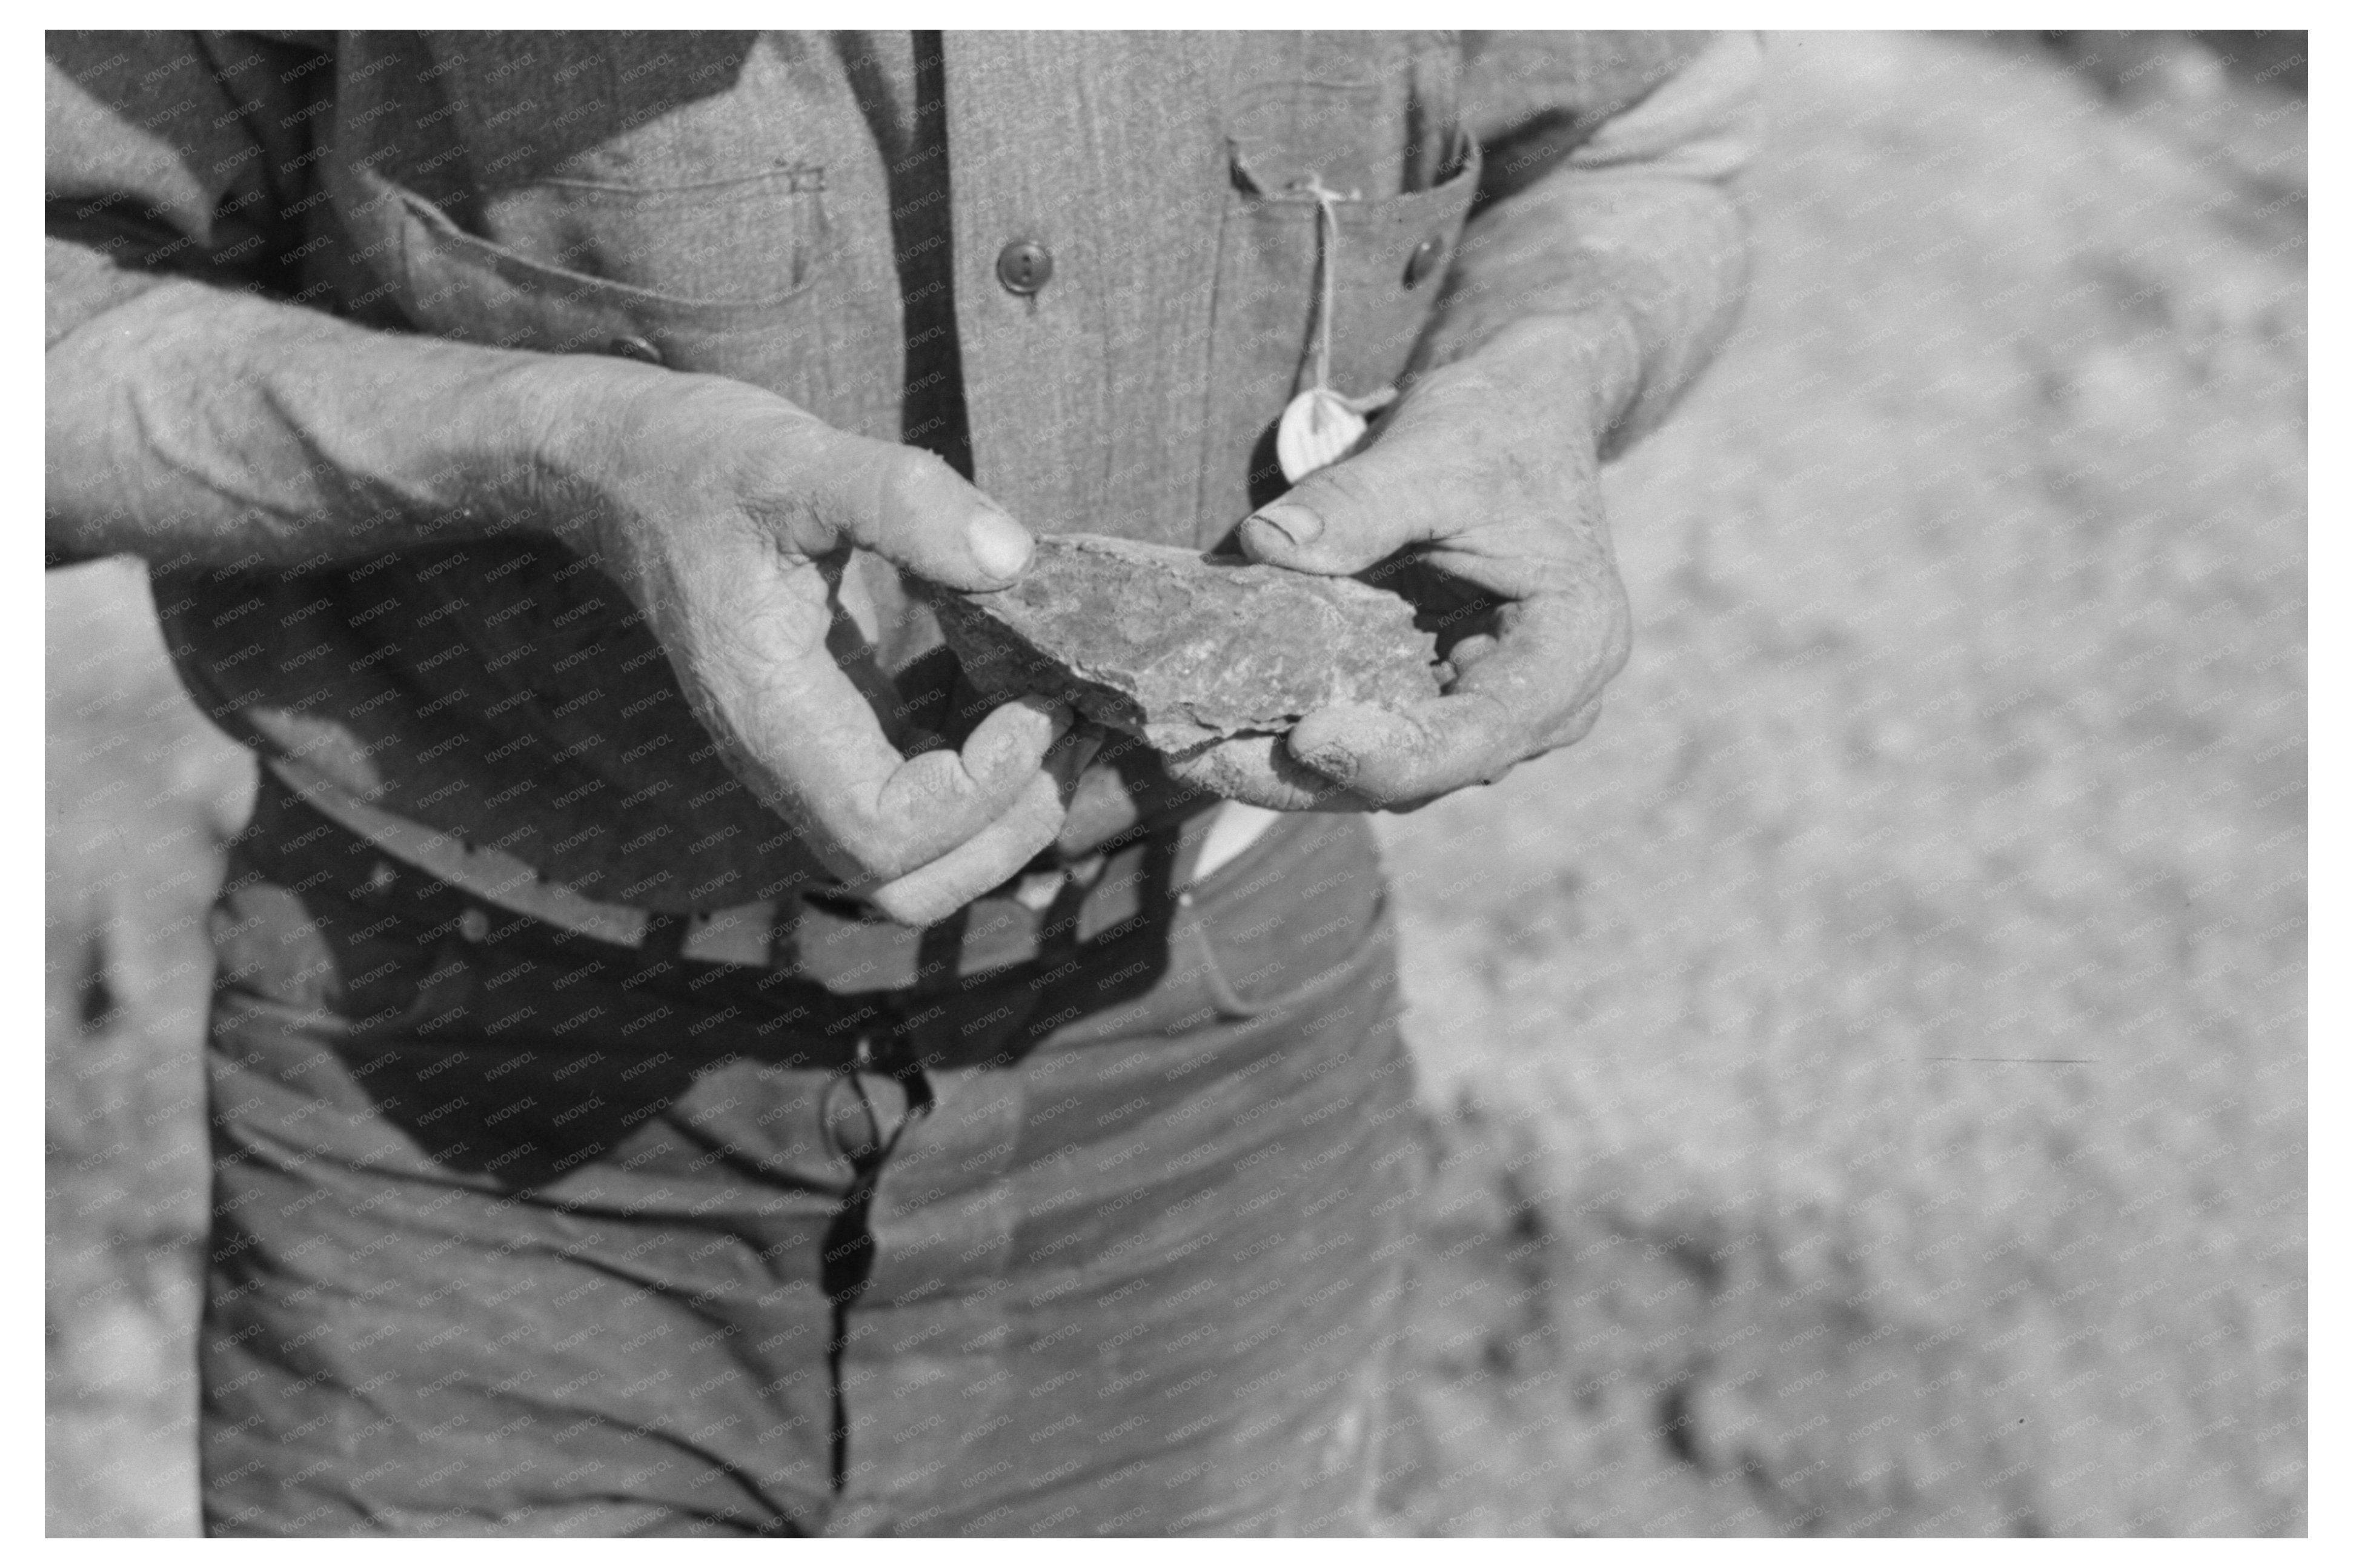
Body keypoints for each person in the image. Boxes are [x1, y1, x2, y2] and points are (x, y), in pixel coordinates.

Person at [45, 29, 1761, 1536]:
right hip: (466, 1099)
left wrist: (1549, 372)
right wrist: (552, 447)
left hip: (1201, 1075)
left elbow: (1631, 157)